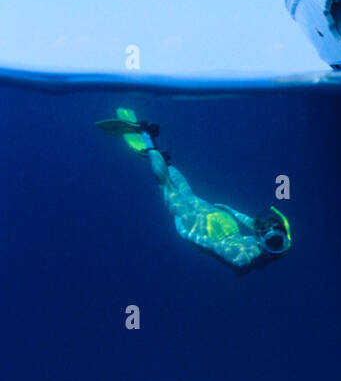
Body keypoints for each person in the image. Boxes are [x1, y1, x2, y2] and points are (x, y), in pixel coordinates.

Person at [95, 108, 290, 272]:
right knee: (167, 186)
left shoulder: (279, 243)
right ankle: (147, 137)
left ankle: (163, 158)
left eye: (273, 242)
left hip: (223, 222)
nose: (273, 245)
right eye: (274, 241)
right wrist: (185, 234)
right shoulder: (243, 260)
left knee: (185, 192)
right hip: (213, 230)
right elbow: (210, 245)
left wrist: (230, 210)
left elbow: (254, 223)